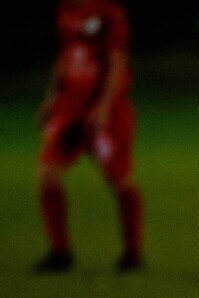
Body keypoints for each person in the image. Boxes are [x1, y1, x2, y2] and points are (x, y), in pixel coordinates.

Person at [34, 0, 144, 274]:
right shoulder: (66, 9)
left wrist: (104, 107)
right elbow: (65, 53)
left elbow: (117, 59)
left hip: (104, 113)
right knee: (48, 175)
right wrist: (52, 96)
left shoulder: (108, 12)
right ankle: (61, 252)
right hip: (70, 108)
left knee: (120, 181)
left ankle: (133, 252)